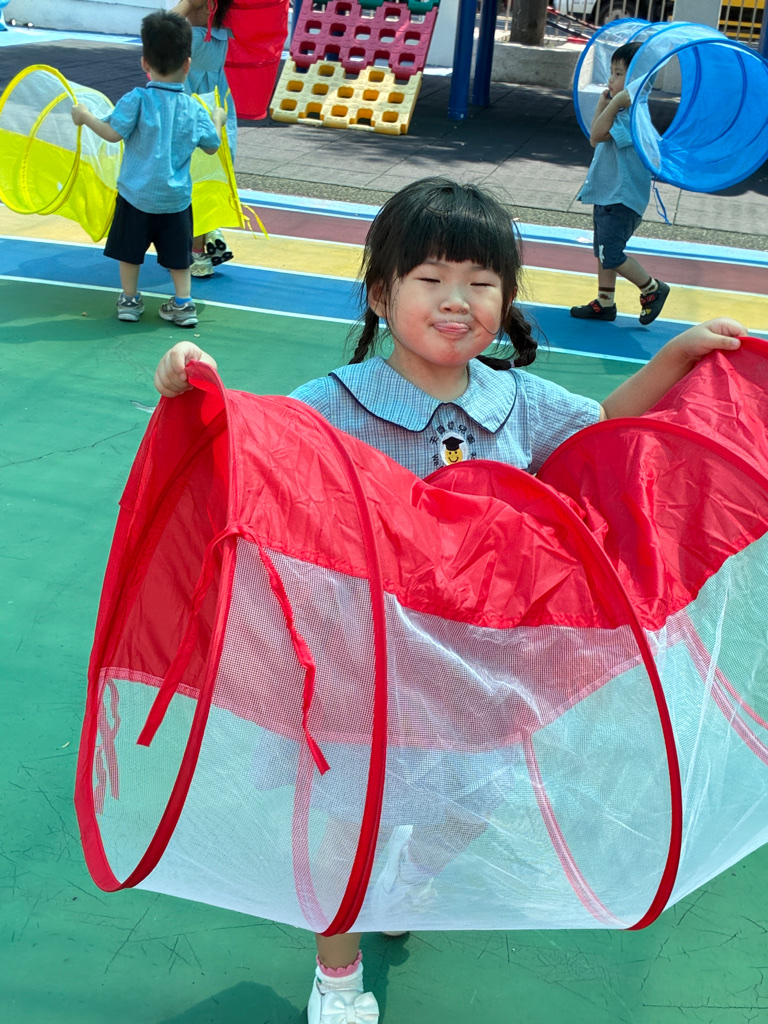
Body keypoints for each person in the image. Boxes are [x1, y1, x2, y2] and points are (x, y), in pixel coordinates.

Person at [152, 178, 745, 1024]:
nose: (456, 299)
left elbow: (602, 432)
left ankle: (402, 883)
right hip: (367, 669)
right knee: (352, 825)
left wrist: (674, 359)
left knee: (470, 802)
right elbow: (253, 453)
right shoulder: (336, 402)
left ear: (506, 298)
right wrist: (189, 381)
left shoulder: (518, 401)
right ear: (380, 294)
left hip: (474, 670)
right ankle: (337, 975)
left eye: (481, 282)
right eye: (430, 278)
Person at [70, 10, 227, 326]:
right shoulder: (193, 107)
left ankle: (129, 300)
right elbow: (212, 146)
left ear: (145, 63)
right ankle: (183, 303)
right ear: (187, 64)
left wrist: (85, 117)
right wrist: (218, 120)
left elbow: (112, 134)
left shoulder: (137, 99)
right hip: (175, 201)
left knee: (129, 253)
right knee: (179, 258)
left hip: (135, 196)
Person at [571, 41, 670, 326]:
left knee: (611, 254)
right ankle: (605, 301)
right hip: (608, 194)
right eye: (611, 72)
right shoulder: (622, 111)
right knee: (603, 251)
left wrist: (612, 103)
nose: (610, 79)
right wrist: (606, 103)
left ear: (636, 80)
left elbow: (596, 136)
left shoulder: (632, 115)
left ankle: (652, 288)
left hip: (621, 198)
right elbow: (596, 134)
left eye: (618, 73)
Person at [172, 0, 237, 277]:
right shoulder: (223, 31)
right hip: (218, 105)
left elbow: (162, 29)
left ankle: (198, 252)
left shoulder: (190, 36)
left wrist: (187, 4)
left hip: (191, 107)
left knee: (192, 180)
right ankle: (211, 231)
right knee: (211, 174)